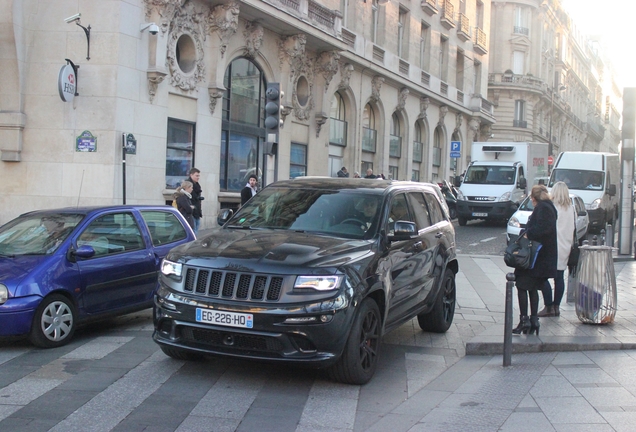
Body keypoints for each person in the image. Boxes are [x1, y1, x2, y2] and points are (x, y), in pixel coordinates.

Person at [512, 184, 557, 336]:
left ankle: (525, 320)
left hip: (536, 257)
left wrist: (528, 233)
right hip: (541, 257)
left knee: (522, 285)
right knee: (531, 287)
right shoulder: (547, 207)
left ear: (535, 198)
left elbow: (543, 229)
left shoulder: (543, 208)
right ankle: (533, 320)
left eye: (531, 198)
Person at [538, 181, 575, 317]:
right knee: (559, 277)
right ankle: (556, 307)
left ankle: (548, 306)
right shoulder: (571, 208)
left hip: (552, 246)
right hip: (565, 246)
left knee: (542, 277)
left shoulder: (552, 207)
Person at [186, 168, 203, 234]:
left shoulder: (197, 185)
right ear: (191, 175)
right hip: (191, 212)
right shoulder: (188, 185)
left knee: (196, 230)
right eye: (196, 175)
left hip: (197, 211)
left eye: (198, 176)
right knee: (193, 232)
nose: (198, 177)